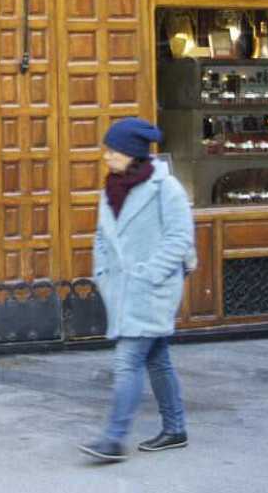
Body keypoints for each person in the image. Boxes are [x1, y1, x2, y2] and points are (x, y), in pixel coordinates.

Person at [77, 117, 196, 463]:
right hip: (121, 286)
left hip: (151, 288)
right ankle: (175, 429)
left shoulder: (166, 188)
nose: (106, 157)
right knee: (157, 358)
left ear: (132, 153)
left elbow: (180, 238)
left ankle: (113, 439)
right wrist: (101, 272)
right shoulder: (111, 187)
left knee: (127, 360)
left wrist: (149, 273)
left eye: (112, 150)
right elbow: (102, 235)